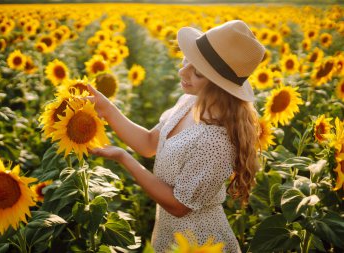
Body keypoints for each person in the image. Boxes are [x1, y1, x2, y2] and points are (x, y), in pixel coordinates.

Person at [85, 20, 266, 253]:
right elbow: (150, 143)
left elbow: (179, 205)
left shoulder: (216, 140)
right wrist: (106, 108)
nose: (183, 71)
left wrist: (124, 158)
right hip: (168, 232)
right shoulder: (190, 102)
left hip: (198, 241)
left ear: (219, 86)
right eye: (187, 61)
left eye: (197, 72)